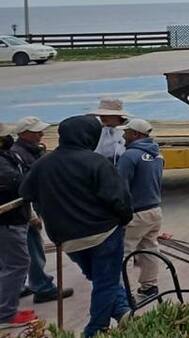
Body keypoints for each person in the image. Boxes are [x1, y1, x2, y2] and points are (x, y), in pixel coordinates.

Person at [20, 115, 132, 338]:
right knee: (106, 282)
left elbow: (26, 192)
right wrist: (124, 220)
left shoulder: (44, 163)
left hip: (68, 238)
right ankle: (95, 330)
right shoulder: (96, 162)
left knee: (100, 279)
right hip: (103, 233)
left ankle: (123, 311)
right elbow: (119, 200)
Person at [9, 117, 73, 304]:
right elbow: (22, 189)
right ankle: (42, 287)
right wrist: (32, 215)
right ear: (23, 134)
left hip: (32, 207)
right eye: (36, 132)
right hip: (26, 210)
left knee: (25, 249)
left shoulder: (33, 151)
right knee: (32, 248)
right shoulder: (18, 155)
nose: (41, 134)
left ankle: (20, 285)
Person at [116, 119, 164, 300]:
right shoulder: (158, 155)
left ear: (136, 134)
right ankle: (149, 286)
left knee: (123, 253)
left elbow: (120, 186)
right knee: (150, 247)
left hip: (136, 213)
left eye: (126, 132)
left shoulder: (130, 156)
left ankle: (123, 292)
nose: (123, 135)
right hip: (154, 210)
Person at [0, 128, 38, 329]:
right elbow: (16, 182)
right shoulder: (3, 162)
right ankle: (6, 314)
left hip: (13, 218)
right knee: (17, 263)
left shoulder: (8, 156)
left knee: (9, 264)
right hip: (8, 220)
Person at [91, 98, 130, 164]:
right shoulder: (97, 129)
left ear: (117, 115)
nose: (102, 117)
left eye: (106, 115)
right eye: (101, 115)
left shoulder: (129, 129)